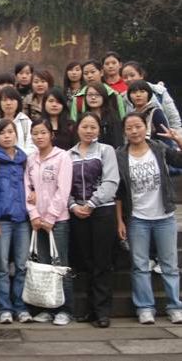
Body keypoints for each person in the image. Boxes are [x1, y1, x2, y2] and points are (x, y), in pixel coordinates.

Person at [115, 115, 182, 325]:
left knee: (170, 265)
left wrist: (178, 140)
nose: (134, 131)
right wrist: (120, 221)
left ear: (146, 128)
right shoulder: (120, 155)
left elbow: (179, 161)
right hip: (137, 218)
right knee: (140, 265)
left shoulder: (159, 148)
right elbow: (119, 191)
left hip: (164, 216)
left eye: (138, 126)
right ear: (124, 132)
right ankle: (144, 307)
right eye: (129, 128)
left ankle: (175, 307)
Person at [68, 112, 119, 328]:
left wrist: (91, 204)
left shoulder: (106, 151)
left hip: (102, 211)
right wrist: (73, 205)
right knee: (86, 262)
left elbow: (111, 181)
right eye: (85, 126)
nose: (89, 131)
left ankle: (103, 311)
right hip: (78, 212)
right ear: (77, 128)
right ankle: (91, 310)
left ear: (99, 129)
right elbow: (64, 185)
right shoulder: (68, 154)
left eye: (93, 127)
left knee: (102, 262)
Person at [24, 119, 74, 325]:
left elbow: (64, 190)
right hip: (37, 221)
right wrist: (34, 215)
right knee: (43, 265)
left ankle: (65, 309)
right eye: (35, 133)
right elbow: (27, 188)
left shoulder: (62, 157)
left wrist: (51, 216)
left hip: (58, 221)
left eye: (43, 132)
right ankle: (46, 307)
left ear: (51, 134)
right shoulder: (31, 159)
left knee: (59, 265)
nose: (39, 136)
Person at [0, 119, 32, 324]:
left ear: (16, 135)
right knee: (1, 266)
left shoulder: (24, 158)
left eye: (10, 132)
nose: (7, 136)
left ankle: (20, 307)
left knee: (21, 265)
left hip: (23, 220)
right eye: (2, 133)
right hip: (1, 220)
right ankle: (4, 308)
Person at [121, 61, 182, 132]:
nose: (129, 79)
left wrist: (176, 135)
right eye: (125, 77)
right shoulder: (123, 98)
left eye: (132, 75)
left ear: (141, 75)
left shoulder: (158, 91)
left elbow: (173, 118)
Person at [0, 86, 34, 156]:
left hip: (20, 160)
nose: (8, 103)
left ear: (18, 102)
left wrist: (14, 156)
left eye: (12, 100)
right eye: (4, 100)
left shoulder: (25, 121)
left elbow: (32, 147)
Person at [83, 82, 124, 148]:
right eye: (90, 95)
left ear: (104, 97)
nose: (93, 97)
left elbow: (118, 142)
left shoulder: (112, 117)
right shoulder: (83, 117)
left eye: (97, 95)